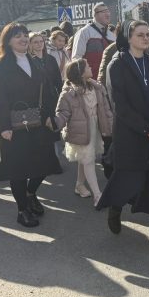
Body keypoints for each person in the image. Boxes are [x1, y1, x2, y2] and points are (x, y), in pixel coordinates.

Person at [97, 20, 149, 250]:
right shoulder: (117, 64)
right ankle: (115, 208)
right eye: (140, 35)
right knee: (128, 180)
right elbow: (120, 106)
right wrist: (145, 128)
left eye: (147, 34)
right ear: (128, 37)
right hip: (131, 134)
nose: (146, 38)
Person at [0, 23, 61, 228]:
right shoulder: (1, 66)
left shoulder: (35, 61)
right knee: (19, 171)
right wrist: (4, 127)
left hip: (39, 122)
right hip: (14, 126)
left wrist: (50, 116)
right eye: (17, 36)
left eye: (24, 35)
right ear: (8, 41)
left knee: (44, 164)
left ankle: (30, 194)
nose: (22, 39)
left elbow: (47, 92)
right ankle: (22, 210)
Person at [55, 59, 113, 206]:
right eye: (87, 66)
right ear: (80, 73)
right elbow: (62, 113)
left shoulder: (97, 88)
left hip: (95, 128)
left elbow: (106, 109)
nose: (91, 67)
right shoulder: (69, 93)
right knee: (88, 160)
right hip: (80, 130)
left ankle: (79, 185)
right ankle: (98, 195)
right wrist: (54, 123)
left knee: (86, 157)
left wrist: (111, 125)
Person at [71, 2, 116, 78]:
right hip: (91, 81)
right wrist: (88, 81)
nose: (107, 14)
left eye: (108, 11)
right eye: (103, 12)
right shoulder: (84, 32)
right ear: (95, 15)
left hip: (109, 80)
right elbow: (76, 59)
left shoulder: (111, 35)